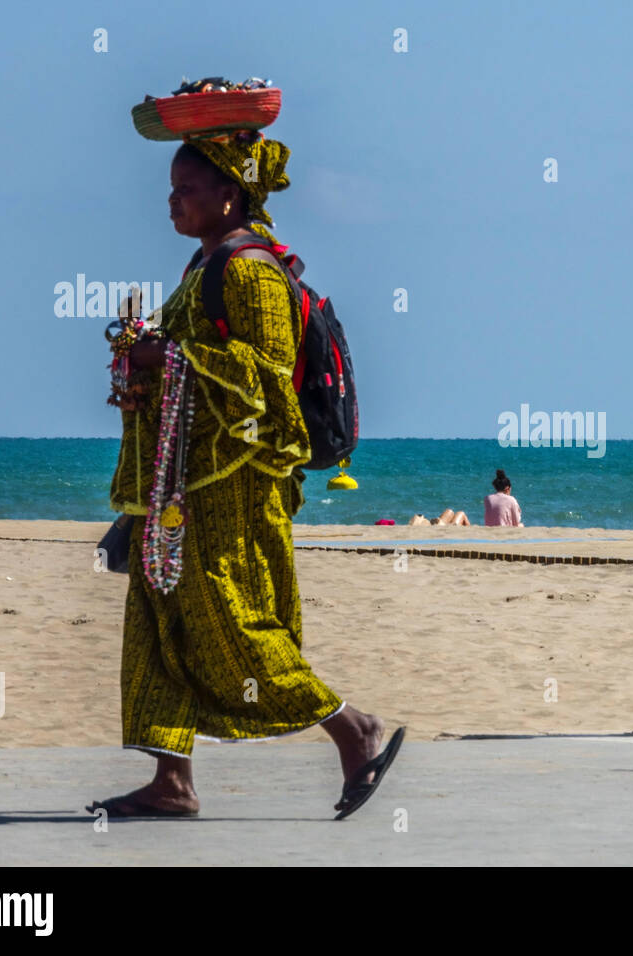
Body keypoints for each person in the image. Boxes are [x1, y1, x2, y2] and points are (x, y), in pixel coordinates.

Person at [89, 123, 402, 820]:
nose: (173, 202)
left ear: (229, 196)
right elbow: (194, 363)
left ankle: (355, 731)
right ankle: (172, 781)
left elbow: (265, 384)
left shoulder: (250, 270)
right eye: (170, 189)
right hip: (175, 484)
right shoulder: (202, 267)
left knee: (232, 623)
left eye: (187, 189)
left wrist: (165, 361)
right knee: (157, 627)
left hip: (226, 487)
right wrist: (147, 367)